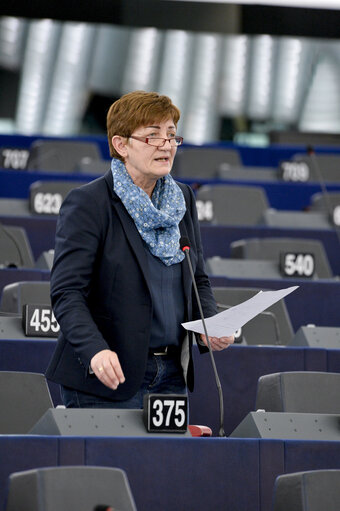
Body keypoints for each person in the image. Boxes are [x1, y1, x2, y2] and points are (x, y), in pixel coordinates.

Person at [46, 90, 234, 409]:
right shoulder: (89, 203)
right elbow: (67, 292)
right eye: (153, 136)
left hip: (172, 375)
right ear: (121, 145)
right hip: (107, 377)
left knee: (165, 462)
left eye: (172, 136)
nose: (166, 144)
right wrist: (95, 350)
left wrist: (209, 323)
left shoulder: (182, 200)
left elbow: (197, 278)